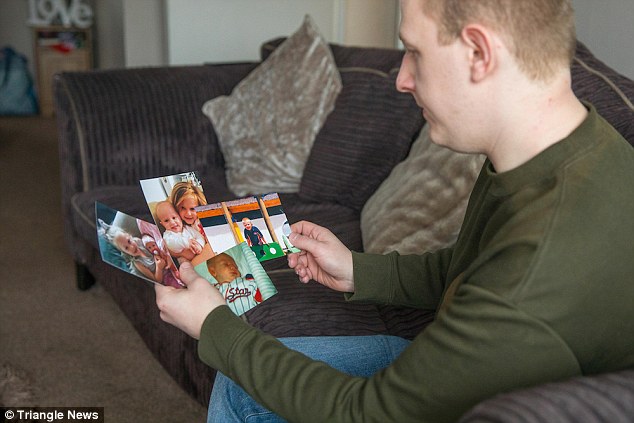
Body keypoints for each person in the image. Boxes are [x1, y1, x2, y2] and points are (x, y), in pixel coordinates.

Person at [154, 0, 634, 421]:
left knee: (241, 367)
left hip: (493, 407)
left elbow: (367, 415)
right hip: (482, 372)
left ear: (479, 53)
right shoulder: (575, 150)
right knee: (239, 386)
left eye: (415, 52)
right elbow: (469, 270)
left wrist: (214, 325)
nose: (402, 79)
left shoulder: (537, 268)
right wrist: (358, 270)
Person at [100, 221, 167, 283]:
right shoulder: (138, 263)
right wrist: (159, 268)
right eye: (126, 248)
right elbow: (157, 280)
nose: (132, 248)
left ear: (130, 236)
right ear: (123, 251)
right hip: (165, 278)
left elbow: (153, 247)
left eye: (129, 241)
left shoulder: (138, 241)